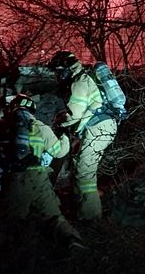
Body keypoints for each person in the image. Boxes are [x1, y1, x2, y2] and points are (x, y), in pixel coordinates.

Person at [0, 92, 83, 248]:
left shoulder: (3, 126)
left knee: (13, 221)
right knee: (54, 217)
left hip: (15, 179)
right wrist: (64, 138)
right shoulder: (42, 128)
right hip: (39, 177)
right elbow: (59, 152)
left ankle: (17, 255)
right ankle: (72, 243)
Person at [47, 51, 118, 222]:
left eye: (58, 71)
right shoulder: (86, 78)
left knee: (85, 173)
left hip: (98, 128)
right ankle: (83, 210)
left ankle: (90, 217)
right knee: (81, 169)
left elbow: (74, 114)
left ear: (66, 69)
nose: (57, 75)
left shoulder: (79, 83)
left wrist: (58, 123)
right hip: (103, 126)